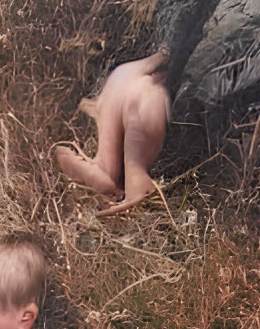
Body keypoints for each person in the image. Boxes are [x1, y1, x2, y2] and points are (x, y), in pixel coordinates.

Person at [53, 45, 171, 216]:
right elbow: (162, 58)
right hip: (147, 98)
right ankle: (134, 181)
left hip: (125, 90)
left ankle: (105, 170)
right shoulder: (140, 84)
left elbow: (158, 58)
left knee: (109, 155)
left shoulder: (118, 77)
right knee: (135, 163)